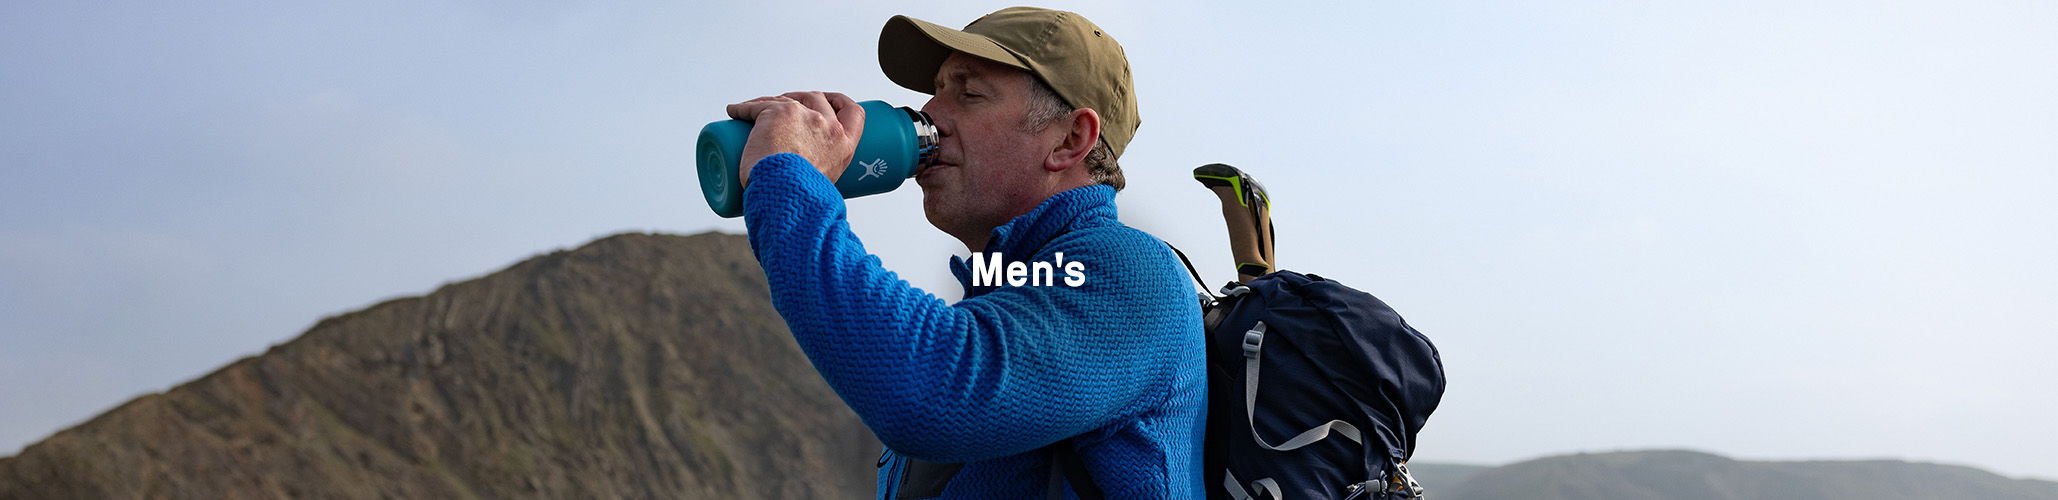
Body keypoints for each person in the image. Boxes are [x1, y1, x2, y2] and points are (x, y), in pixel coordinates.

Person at [722, 7, 1205, 499]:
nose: (930, 112)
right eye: (936, 89)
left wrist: (786, 181)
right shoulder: (1007, 295)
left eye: (969, 93)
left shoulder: (1131, 273)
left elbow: (933, 391)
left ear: (1070, 139)